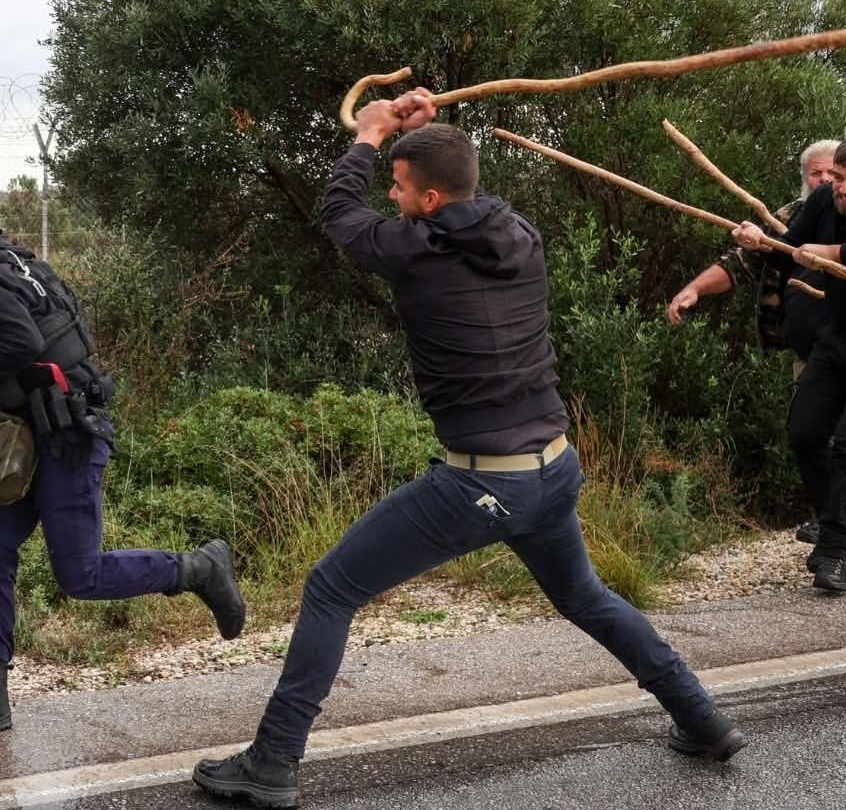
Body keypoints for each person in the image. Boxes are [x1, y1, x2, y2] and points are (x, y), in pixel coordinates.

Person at [192, 90, 746, 810]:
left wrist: (369, 135)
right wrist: (425, 136)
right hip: (554, 466)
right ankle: (701, 719)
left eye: (399, 188)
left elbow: (338, 212)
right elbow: (462, 188)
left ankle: (271, 763)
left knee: (332, 587)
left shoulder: (415, 253)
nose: (390, 199)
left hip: (486, 484)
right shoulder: (520, 233)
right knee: (585, 597)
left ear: (428, 200)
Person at [0, 219, 246, 730]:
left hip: (68, 437)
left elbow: (20, 340)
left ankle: (198, 569)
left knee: (81, 576)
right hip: (34, 434)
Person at [668, 140, 846, 555]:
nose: (828, 181)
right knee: (813, 434)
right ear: (805, 177)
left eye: (836, 174)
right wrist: (695, 289)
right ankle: (845, 520)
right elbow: (744, 261)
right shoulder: (795, 216)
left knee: (843, 437)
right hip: (812, 350)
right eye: (818, 174)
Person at [732, 135, 846, 592]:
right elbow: (792, 247)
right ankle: (843, 522)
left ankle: (835, 552)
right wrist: (759, 242)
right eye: (838, 178)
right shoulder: (823, 200)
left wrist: (833, 253)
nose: (843, 188)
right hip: (837, 341)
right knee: (805, 431)